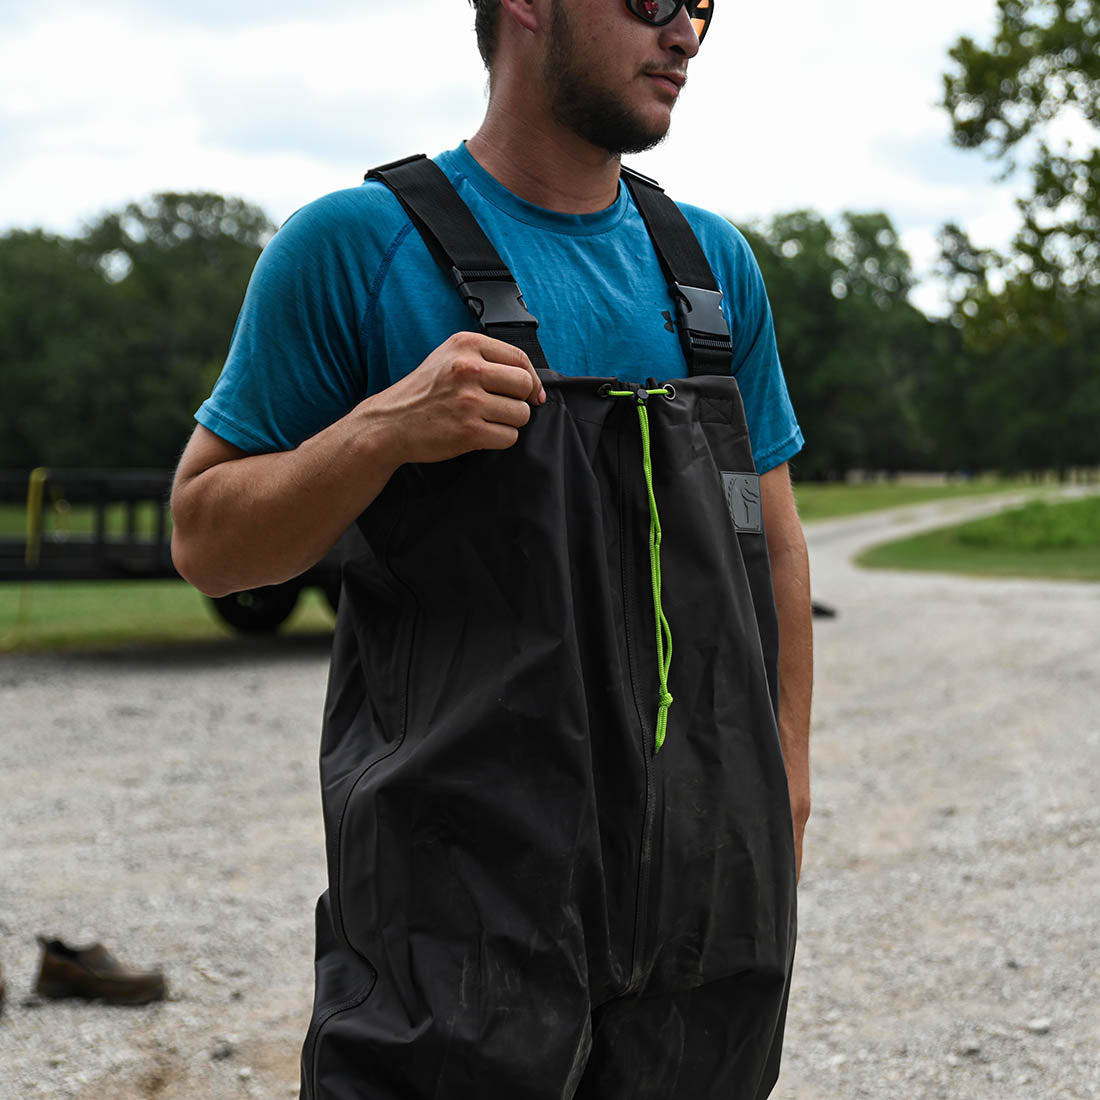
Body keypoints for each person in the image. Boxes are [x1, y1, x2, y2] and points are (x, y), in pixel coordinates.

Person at [171, 0, 812, 1096]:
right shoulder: (353, 249)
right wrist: (381, 427)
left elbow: (776, 548)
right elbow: (207, 541)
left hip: (706, 908)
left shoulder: (710, 270)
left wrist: (783, 790)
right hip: (454, 911)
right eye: (651, 0)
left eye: (703, 3)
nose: (686, 32)